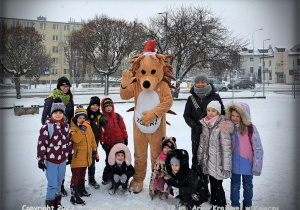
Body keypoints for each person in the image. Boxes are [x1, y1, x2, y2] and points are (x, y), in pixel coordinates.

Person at [183, 73, 225, 198]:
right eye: (198, 82)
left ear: (207, 83)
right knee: (197, 160)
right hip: (197, 134)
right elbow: (186, 115)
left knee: (212, 161)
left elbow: (222, 113)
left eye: (203, 82)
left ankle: (216, 192)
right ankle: (202, 190)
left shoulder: (215, 96)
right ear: (195, 84)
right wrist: (193, 125)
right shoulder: (191, 99)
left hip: (213, 135)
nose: (200, 84)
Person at [225, 102, 263, 210]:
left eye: (238, 116)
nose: (235, 118)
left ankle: (247, 205)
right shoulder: (229, 128)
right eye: (233, 115)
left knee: (248, 186)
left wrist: (257, 166)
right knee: (235, 186)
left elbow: (258, 148)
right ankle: (235, 206)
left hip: (248, 165)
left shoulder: (251, 129)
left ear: (244, 116)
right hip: (234, 165)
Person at [197, 100, 234, 209]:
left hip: (218, 163)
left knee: (217, 185)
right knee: (211, 183)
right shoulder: (205, 123)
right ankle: (214, 201)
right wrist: (200, 159)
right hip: (208, 161)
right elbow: (202, 144)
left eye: (213, 111)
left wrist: (226, 168)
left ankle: (220, 204)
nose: (210, 113)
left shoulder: (223, 125)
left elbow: (226, 148)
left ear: (218, 112)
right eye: (208, 110)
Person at [37, 97, 73, 209]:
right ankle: (50, 205)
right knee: (52, 185)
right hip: (51, 161)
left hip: (62, 161)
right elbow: (41, 144)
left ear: (63, 114)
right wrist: (41, 160)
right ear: (51, 114)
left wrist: (70, 155)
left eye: (60, 112)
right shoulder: (47, 127)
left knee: (58, 184)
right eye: (55, 112)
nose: (58, 115)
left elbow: (69, 142)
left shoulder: (66, 126)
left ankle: (58, 204)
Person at [41, 76, 74, 196]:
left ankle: (60, 186)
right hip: (53, 136)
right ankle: (53, 187)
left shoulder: (69, 99)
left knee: (62, 163)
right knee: (54, 162)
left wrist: (68, 131)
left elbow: (71, 117)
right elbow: (44, 119)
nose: (66, 88)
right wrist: (54, 130)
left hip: (65, 134)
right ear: (59, 86)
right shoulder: (51, 99)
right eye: (63, 86)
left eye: (67, 86)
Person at [69, 105, 97, 205]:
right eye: (80, 118)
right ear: (76, 119)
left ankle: (81, 190)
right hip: (77, 157)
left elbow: (92, 139)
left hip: (86, 156)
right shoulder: (73, 129)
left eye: (84, 118)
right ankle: (74, 194)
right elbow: (76, 139)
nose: (82, 120)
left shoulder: (88, 127)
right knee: (76, 175)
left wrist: (95, 150)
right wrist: (83, 129)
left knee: (82, 174)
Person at [100, 97, 128, 185]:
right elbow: (101, 132)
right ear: (103, 107)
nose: (108, 108)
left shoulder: (118, 116)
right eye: (106, 106)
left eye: (110, 106)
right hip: (108, 143)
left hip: (119, 142)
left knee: (120, 160)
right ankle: (106, 177)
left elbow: (123, 128)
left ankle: (120, 177)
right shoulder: (102, 118)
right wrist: (103, 143)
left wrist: (125, 138)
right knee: (109, 161)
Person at [86, 96, 108, 189]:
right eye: (93, 105)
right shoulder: (85, 114)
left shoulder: (99, 116)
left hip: (94, 143)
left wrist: (104, 119)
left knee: (92, 163)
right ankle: (80, 180)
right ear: (90, 105)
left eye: (96, 105)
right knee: (82, 163)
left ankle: (91, 179)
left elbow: (105, 125)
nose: (94, 107)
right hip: (84, 143)